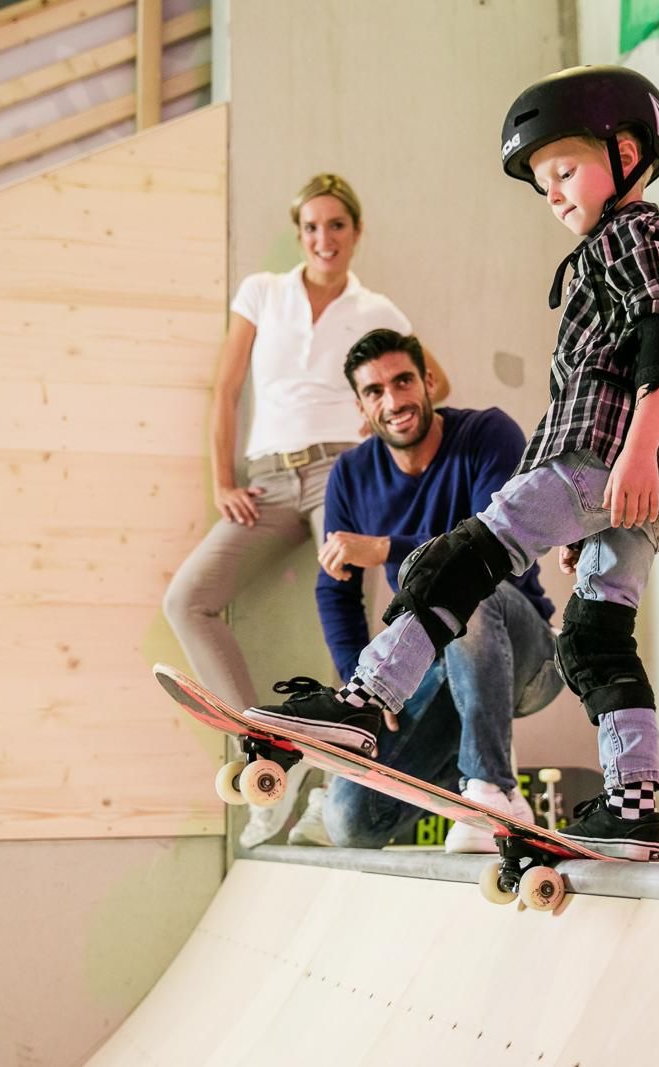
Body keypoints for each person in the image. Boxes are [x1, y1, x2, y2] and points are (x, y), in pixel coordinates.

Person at [243, 66, 659, 861]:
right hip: (631, 484)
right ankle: (635, 809)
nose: (556, 194)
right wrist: (607, 504)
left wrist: (633, 456)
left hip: (608, 455)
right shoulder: (623, 245)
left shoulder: (638, 236)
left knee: (456, 557)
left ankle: (364, 701)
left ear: (627, 150)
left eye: (565, 171)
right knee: (595, 640)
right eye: (543, 185)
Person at [163, 173, 447, 849]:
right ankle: (265, 760)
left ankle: (335, 789)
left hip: (340, 475)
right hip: (263, 482)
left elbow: (435, 382)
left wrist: (372, 422)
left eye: (337, 226)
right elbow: (226, 389)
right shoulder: (262, 292)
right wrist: (222, 480)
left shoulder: (375, 308)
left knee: (349, 628)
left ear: (356, 232)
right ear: (300, 234)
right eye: (313, 227)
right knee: (188, 600)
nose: (325, 238)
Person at [293, 328, 561, 852]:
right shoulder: (350, 474)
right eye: (375, 392)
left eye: (403, 382)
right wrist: (363, 692)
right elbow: (336, 591)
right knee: (349, 822)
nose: (393, 401)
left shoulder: (488, 435)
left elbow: (494, 551)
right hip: (426, 666)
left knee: (470, 588)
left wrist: (385, 549)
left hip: (526, 652)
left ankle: (492, 794)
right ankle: (477, 786)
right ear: (361, 406)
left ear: (429, 382)